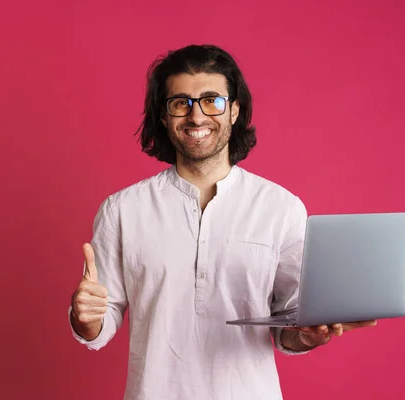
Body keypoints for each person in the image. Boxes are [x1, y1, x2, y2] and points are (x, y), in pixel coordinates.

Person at [68, 44, 376, 399]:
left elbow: (290, 322)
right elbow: (98, 323)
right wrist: (86, 318)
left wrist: (307, 334)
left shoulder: (281, 208)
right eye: (180, 102)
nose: (196, 117)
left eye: (212, 100)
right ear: (164, 116)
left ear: (234, 111)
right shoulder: (122, 209)